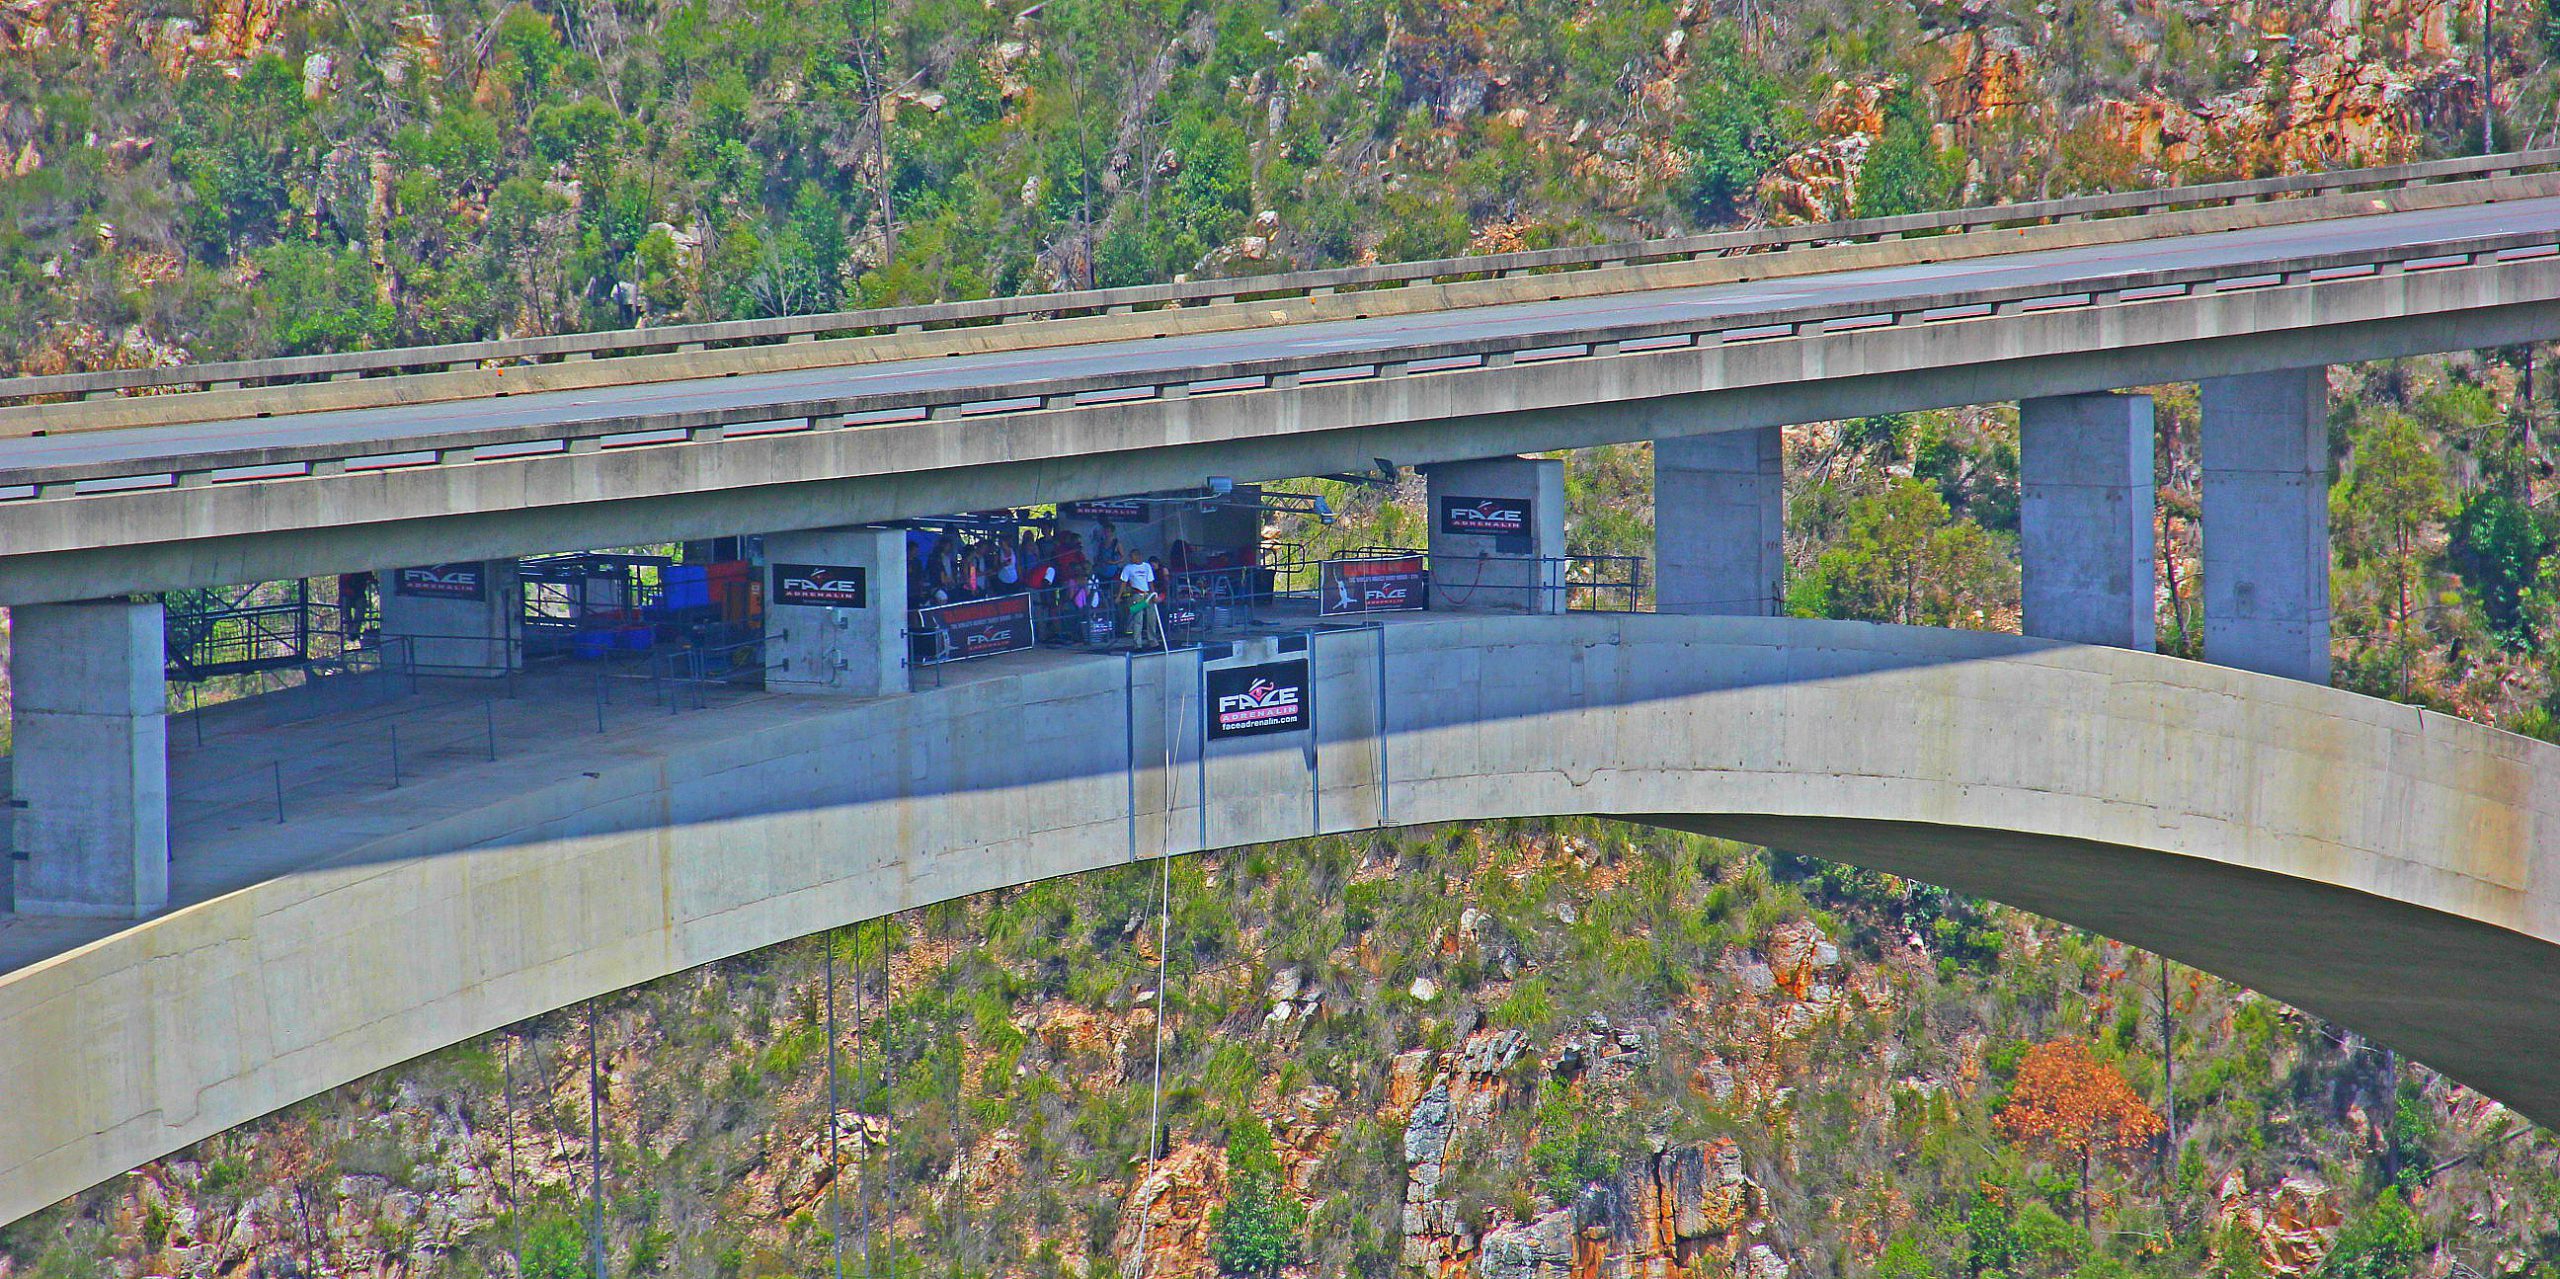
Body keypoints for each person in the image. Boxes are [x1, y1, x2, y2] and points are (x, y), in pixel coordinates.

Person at [1121, 555, 1163, 649]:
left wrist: (1153, 594)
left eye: (1132, 557)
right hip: (1137, 595)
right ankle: (1137, 644)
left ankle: (1152, 641)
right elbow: (1123, 582)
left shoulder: (1147, 566)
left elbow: (1150, 581)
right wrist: (1120, 595)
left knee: (1152, 618)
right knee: (1138, 619)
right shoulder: (1128, 568)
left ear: (1137, 557)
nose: (1130, 559)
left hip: (1148, 594)